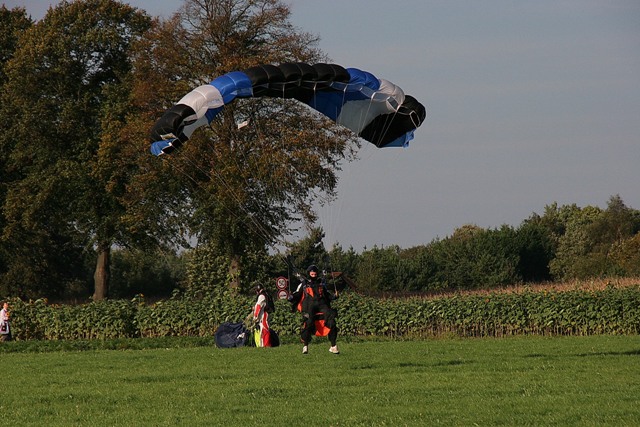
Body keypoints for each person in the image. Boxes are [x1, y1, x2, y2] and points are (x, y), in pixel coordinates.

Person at [292, 265, 339, 355]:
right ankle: (305, 345)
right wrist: (291, 297)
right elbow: (297, 294)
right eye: (312, 273)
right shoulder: (304, 284)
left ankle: (333, 346)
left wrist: (334, 296)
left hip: (321, 305)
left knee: (331, 320)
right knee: (308, 323)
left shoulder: (321, 283)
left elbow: (327, 295)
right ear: (309, 273)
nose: (313, 274)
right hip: (309, 306)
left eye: (315, 273)